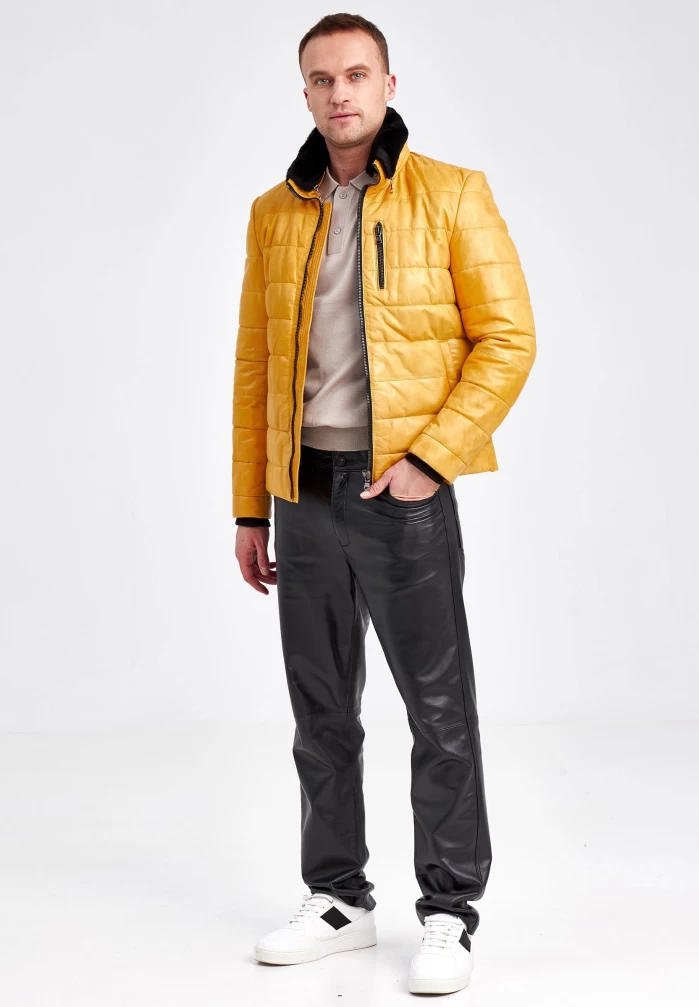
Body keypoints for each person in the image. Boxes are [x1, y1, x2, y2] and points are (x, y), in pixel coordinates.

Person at [231, 13, 536, 996]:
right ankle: (338, 898)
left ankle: (449, 909)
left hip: (400, 491)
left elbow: (509, 339)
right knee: (321, 709)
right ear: (305, 93)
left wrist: (429, 462)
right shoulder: (274, 213)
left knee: (438, 708)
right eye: (322, 79)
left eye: (357, 75)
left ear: (389, 84)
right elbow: (255, 369)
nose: (340, 93)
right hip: (303, 492)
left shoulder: (451, 193)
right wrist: (251, 508)